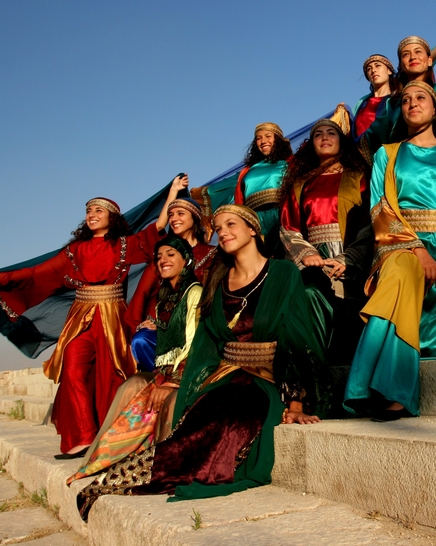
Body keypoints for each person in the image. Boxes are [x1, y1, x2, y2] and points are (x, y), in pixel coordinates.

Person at [75, 204, 329, 518]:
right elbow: (207, 342)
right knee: (193, 423)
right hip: (224, 376)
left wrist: (295, 404)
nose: (223, 232)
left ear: (253, 229)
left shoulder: (282, 272)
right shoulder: (218, 279)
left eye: (231, 224)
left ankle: (134, 477)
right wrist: (191, 385)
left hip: (265, 378)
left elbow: (295, 339)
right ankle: (121, 477)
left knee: (229, 423)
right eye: (218, 227)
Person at [0, 195, 167, 456]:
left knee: (111, 375)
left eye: (98, 210)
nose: (91, 214)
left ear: (112, 217)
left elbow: (157, 229)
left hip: (112, 319)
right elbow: (36, 272)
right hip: (81, 318)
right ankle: (84, 436)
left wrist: (173, 191)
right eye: (88, 211)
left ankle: (113, 437)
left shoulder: (124, 245)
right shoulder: (74, 251)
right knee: (72, 369)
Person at [343, 81, 436, 421]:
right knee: (399, 275)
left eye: (420, 98)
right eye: (405, 99)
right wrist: (417, 249)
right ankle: (391, 394)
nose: (412, 103)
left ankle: (369, 379)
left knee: (427, 336)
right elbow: (380, 207)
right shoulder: (387, 154)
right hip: (400, 245)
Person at [68, 236, 203, 484]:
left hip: (194, 371)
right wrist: (160, 377)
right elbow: (164, 350)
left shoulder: (194, 293)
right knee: (131, 385)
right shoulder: (165, 299)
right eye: (159, 256)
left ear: (187, 260)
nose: (163, 260)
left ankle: (161, 466)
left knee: (166, 398)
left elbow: (196, 344)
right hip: (168, 371)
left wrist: (171, 382)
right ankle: (103, 458)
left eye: (171, 254)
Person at [279, 118, 373, 364]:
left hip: (350, 264)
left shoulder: (359, 177)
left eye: (331, 132)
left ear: (342, 141)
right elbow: (288, 228)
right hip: (313, 264)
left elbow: (370, 222)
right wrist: (307, 256)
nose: (324, 137)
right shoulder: (300, 183)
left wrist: (349, 259)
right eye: (318, 134)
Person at [126, 186, 217, 372]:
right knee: (141, 340)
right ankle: (158, 382)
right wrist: (146, 323)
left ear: (195, 218)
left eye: (180, 213)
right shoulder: (161, 258)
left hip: (198, 326)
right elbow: (142, 294)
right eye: (171, 215)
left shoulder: (212, 255)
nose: (174, 219)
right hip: (164, 326)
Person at [352, 24, 436, 142]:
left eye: (378, 65)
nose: (373, 70)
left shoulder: (400, 95)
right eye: (368, 69)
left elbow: (420, 63)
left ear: (389, 70)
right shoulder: (362, 103)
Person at [190, 123, 292, 249]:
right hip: (254, 220)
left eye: (268, 136)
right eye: (259, 138)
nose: (263, 141)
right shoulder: (248, 170)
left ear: (278, 139)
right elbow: (222, 187)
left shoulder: (291, 163)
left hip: (282, 217)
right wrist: (197, 194)